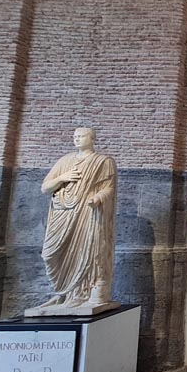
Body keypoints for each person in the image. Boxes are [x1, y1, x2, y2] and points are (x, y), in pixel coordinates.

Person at [30, 127, 118, 313]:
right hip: (63, 213)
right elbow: (45, 187)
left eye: (81, 136)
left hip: (88, 214)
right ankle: (64, 293)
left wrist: (97, 198)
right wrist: (62, 177)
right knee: (49, 254)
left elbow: (108, 188)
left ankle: (83, 294)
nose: (77, 139)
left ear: (92, 138)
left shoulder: (103, 162)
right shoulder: (65, 161)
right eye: (75, 136)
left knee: (89, 252)